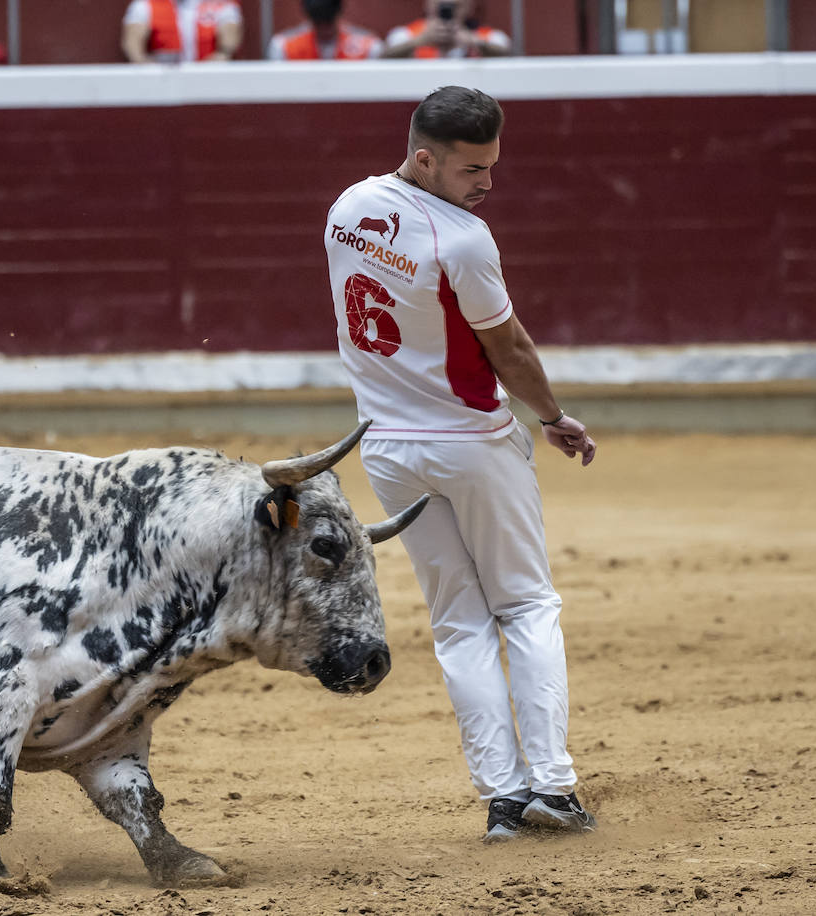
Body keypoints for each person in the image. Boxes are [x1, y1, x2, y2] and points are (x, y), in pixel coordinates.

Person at [323, 86, 597, 843]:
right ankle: (553, 787)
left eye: (493, 165)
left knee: (459, 624)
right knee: (527, 607)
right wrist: (553, 418)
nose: (487, 182)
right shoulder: (464, 240)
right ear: (424, 158)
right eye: (473, 167)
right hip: (471, 442)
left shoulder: (346, 209)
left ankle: (503, 800)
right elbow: (508, 347)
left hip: (386, 449)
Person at [121, 0, 243, 64]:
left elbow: (228, 45)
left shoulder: (220, 4)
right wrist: (149, 68)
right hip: (163, 78)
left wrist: (218, 59)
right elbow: (133, 46)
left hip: (207, 77)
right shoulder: (145, 4)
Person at [381, 0, 511, 59]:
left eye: (456, 6)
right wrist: (419, 41)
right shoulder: (406, 34)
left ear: (469, 6)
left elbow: (510, 56)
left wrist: (474, 42)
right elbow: (383, 57)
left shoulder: (488, 36)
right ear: (427, 3)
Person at [267, 0, 383, 61]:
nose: (323, 28)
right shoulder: (284, 46)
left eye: (328, 21)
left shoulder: (369, 46)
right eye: (318, 21)